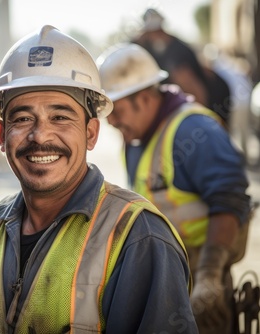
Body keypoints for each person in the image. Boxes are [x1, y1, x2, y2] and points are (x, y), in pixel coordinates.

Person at [0, 25, 198, 334]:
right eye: (23, 119)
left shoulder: (139, 239)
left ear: (91, 133)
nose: (40, 136)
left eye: (60, 117)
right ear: (1, 135)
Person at [97, 43, 252, 334]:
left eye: (115, 110)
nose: (111, 121)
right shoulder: (136, 140)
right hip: (165, 279)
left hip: (202, 280)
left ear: (142, 98)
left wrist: (209, 275)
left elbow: (230, 199)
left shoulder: (195, 131)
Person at [132, 8, 232, 127]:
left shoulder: (174, 53)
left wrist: (201, 125)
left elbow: (196, 93)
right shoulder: (163, 48)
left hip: (215, 104)